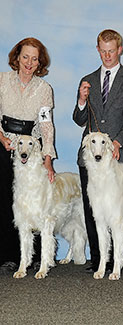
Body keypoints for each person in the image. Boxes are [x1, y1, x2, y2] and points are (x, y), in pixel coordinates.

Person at [73, 29, 123, 273]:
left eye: (111, 51)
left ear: (120, 50)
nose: (107, 55)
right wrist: (81, 101)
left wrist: (117, 142)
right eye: (103, 51)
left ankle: (117, 261)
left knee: (117, 214)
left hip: (119, 159)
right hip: (91, 159)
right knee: (94, 213)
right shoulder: (88, 79)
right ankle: (99, 260)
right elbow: (80, 119)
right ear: (98, 50)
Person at [0, 37, 56, 272]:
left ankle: (28, 257)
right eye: (25, 57)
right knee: (4, 199)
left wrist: (48, 157)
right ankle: (6, 255)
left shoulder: (44, 89)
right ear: (17, 57)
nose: (29, 63)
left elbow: (46, 125)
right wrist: (2, 137)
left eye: (35, 59)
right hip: (3, 143)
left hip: (31, 149)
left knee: (31, 202)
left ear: (40, 62)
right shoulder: (2, 80)